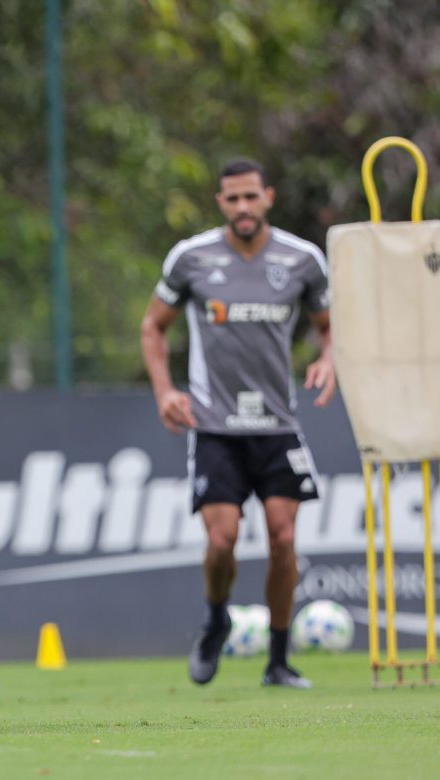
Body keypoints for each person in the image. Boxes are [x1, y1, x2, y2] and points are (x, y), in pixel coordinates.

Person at [140, 158, 334, 689]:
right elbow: (153, 328)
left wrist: (328, 358)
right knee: (222, 542)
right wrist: (164, 391)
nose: (243, 208)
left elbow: (328, 325)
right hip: (214, 427)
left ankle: (277, 658)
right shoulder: (192, 258)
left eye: (251, 197)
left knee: (284, 538)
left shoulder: (303, 260)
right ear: (220, 202)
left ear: (267, 197)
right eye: (232, 199)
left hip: (277, 426)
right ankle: (216, 618)